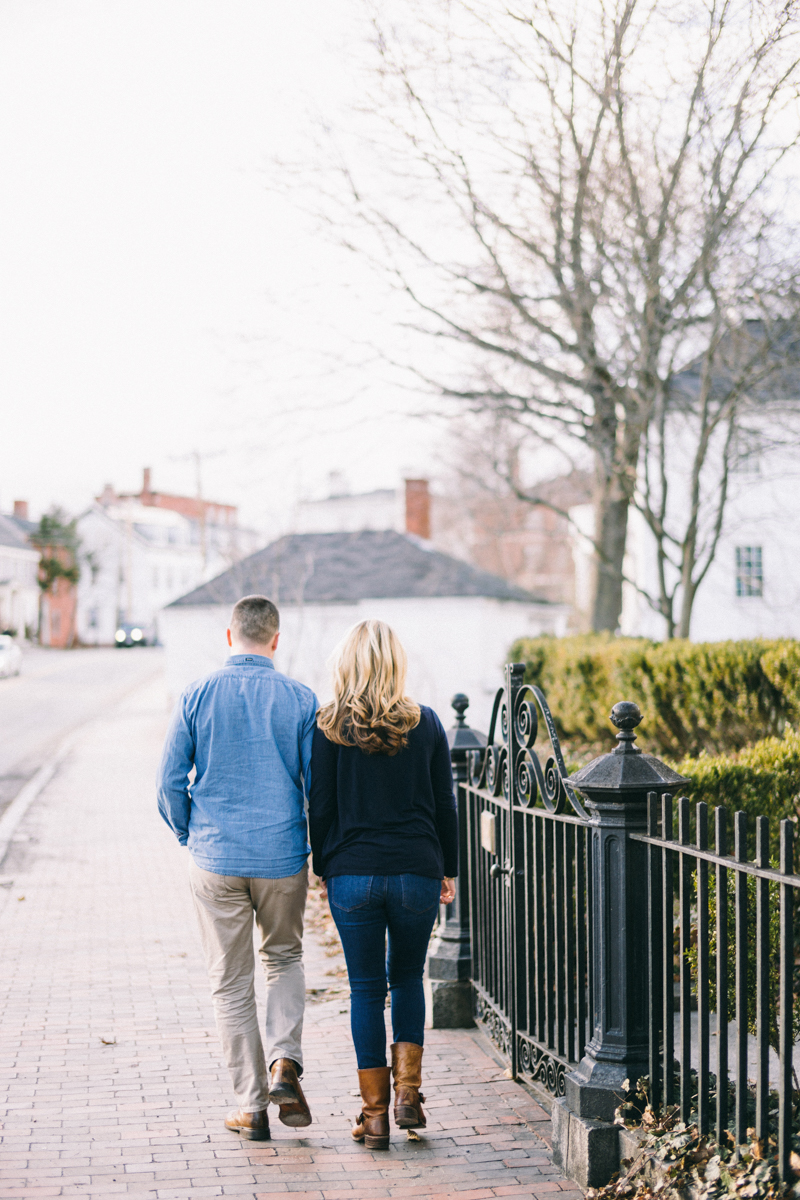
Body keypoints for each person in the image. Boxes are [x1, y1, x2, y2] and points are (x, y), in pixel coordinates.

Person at [157, 594, 317, 1142]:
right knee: (285, 958)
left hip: (216, 857)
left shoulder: (197, 694)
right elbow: (317, 789)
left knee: (230, 983)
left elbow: (168, 782)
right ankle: (284, 1063)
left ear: (231, 637)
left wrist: (189, 834)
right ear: (276, 640)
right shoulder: (300, 699)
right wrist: (314, 850)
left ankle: (250, 1107)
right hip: (281, 857)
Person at [309, 619, 458, 1150]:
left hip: (353, 872)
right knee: (409, 980)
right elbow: (445, 802)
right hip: (416, 868)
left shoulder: (327, 726)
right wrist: (449, 869)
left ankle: (374, 1118)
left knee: (367, 990)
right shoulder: (428, 723)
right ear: (396, 662)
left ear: (345, 663)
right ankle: (408, 1097)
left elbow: (321, 805)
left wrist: (324, 866)